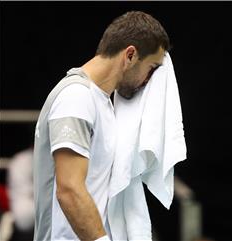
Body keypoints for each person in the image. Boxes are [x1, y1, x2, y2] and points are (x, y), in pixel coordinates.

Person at [33, 11, 170, 241]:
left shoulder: (103, 103)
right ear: (130, 55)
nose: (149, 80)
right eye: (151, 68)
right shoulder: (76, 97)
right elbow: (69, 190)